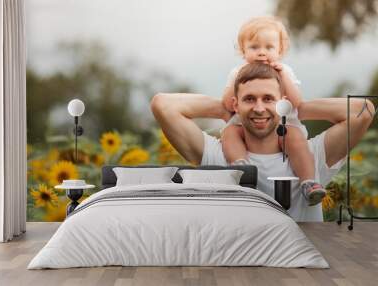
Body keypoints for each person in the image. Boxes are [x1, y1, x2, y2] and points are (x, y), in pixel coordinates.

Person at [151, 63, 374, 221]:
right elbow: (163, 105)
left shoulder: (310, 155)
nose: (259, 108)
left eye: (268, 99)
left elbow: (364, 110)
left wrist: (300, 108)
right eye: (249, 99)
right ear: (235, 105)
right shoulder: (218, 156)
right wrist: (223, 109)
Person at [220, 16, 325, 206]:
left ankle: (308, 182)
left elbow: (296, 102)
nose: (262, 53)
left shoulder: (284, 71)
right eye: (254, 47)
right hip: (246, 123)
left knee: (294, 139)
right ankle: (241, 167)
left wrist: (283, 75)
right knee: (229, 133)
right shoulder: (238, 72)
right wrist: (239, 77)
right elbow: (228, 103)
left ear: (280, 51)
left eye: (269, 48)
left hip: (282, 122)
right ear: (243, 51)